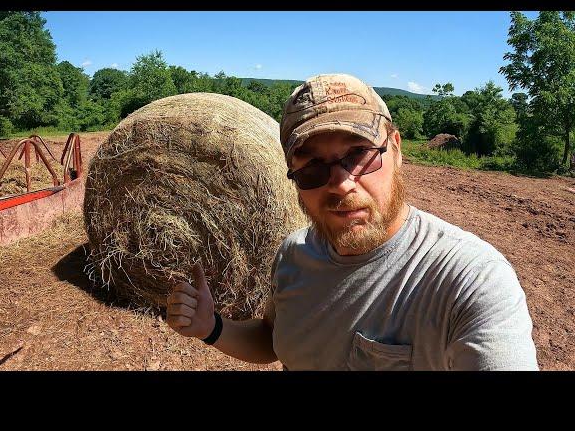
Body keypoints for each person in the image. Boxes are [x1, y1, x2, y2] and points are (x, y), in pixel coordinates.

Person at [165, 73, 538, 371]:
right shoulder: (293, 256)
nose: (341, 183)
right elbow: (273, 340)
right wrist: (211, 328)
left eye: (359, 154)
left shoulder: (469, 278)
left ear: (395, 148)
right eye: (312, 167)